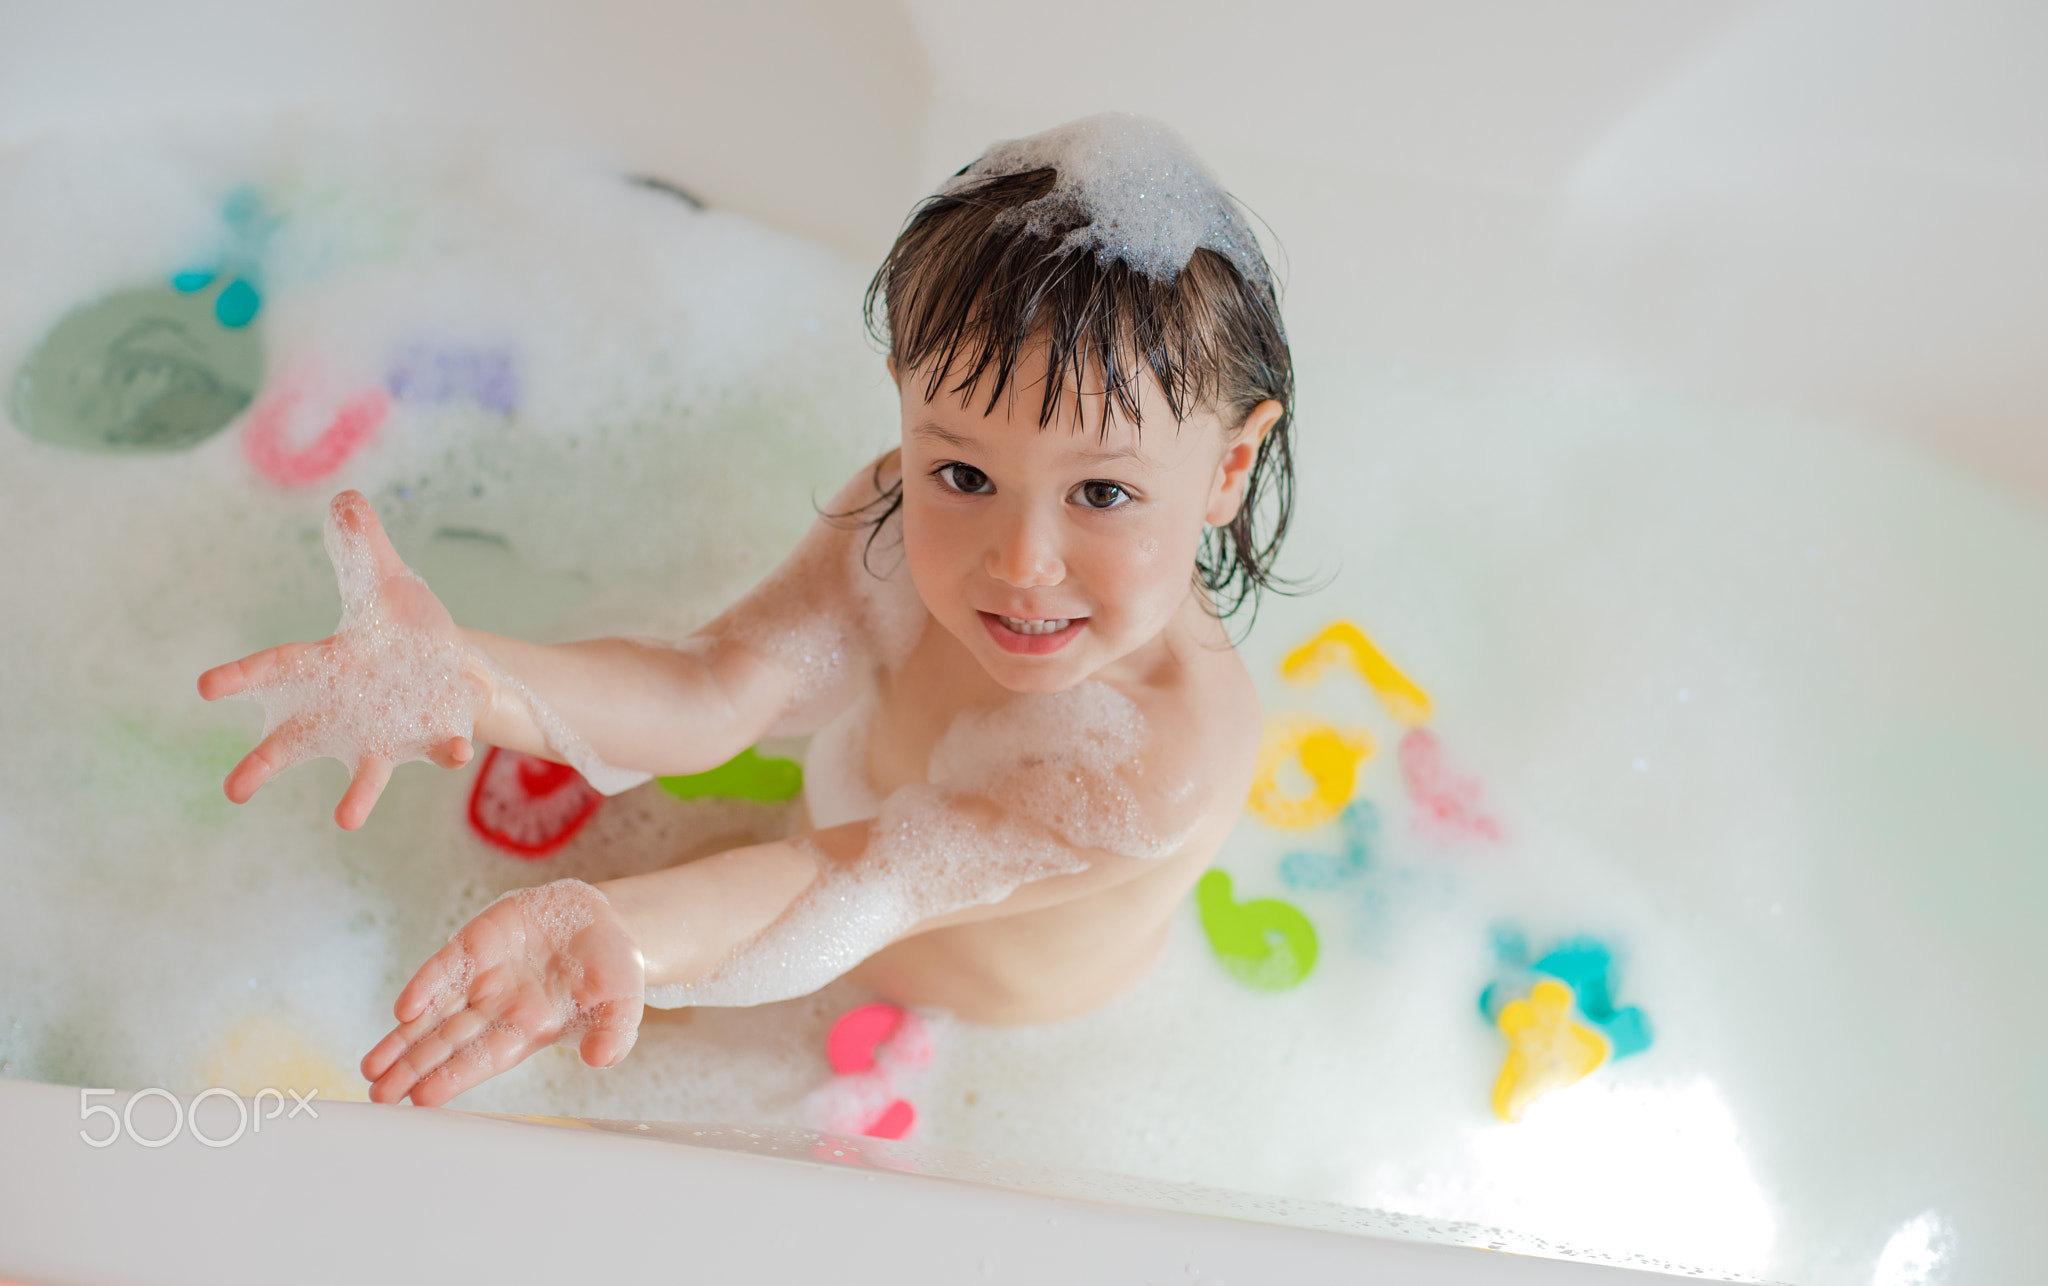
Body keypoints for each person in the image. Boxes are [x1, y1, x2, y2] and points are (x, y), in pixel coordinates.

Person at [196, 113, 1297, 1107]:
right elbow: (707, 684)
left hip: (996, 1035)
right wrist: (465, 675)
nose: (1019, 559)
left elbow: (849, 881)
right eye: (961, 471)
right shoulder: (897, 521)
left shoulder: (1157, 762)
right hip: (825, 902)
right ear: (907, 404)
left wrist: (628, 929)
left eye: (1101, 493)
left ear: (1227, 468)